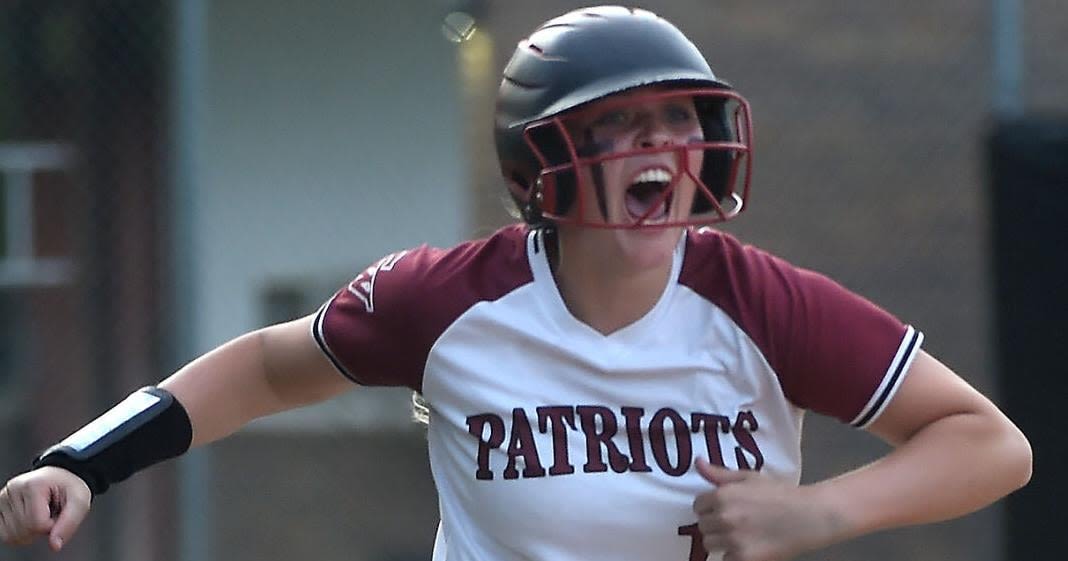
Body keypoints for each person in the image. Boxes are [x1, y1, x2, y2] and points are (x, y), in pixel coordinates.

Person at [0, 6, 1031, 561]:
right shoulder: (447, 300)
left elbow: (991, 445)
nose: (660, 149)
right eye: (619, 128)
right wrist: (84, 465)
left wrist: (827, 513)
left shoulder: (764, 305)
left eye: (678, 122)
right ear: (538, 171)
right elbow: (267, 371)